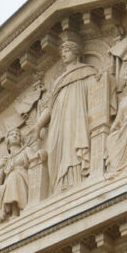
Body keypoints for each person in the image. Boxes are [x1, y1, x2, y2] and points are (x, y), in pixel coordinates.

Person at [34, 40, 96, 194]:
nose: (63, 54)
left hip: (76, 114)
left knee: (73, 144)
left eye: (67, 50)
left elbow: (96, 91)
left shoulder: (86, 71)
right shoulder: (58, 81)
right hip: (58, 121)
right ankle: (60, 183)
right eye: (62, 51)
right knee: (58, 149)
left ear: (76, 53)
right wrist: (39, 125)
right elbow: (50, 106)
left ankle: (76, 179)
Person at [0, 129, 35, 237]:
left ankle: (15, 213)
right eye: (12, 134)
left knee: (13, 176)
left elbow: (35, 158)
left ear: (21, 139)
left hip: (23, 179)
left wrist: (40, 154)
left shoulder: (25, 150)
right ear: (7, 140)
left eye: (17, 134)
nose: (15, 136)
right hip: (8, 185)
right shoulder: (4, 159)